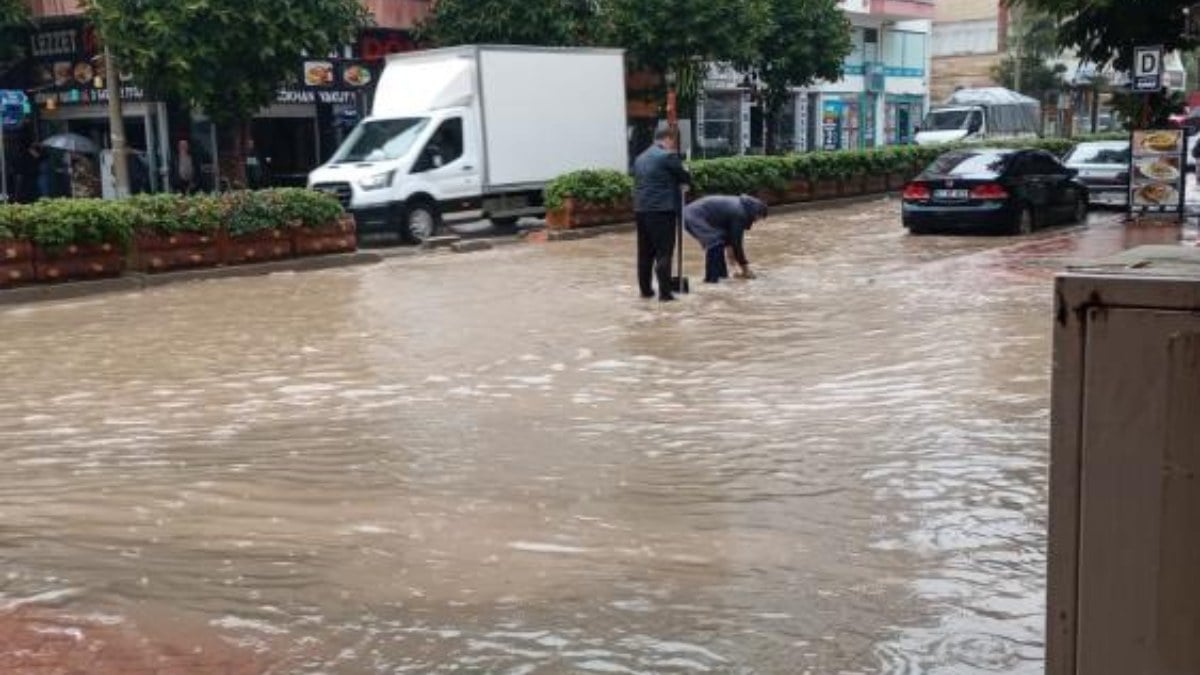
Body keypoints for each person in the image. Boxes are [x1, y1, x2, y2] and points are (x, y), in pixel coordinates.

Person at [632, 128, 691, 302]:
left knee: (644, 253)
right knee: (664, 252)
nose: (673, 146)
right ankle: (665, 294)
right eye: (673, 142)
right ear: (668, 139)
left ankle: (646, 291)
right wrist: (686, 172)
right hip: (662, 211)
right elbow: (684, 177)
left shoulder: (640, 158)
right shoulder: (667, 156)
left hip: (641, 210)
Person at [683, 194, 768, 283]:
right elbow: (737, 243)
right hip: (693, 216)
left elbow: (729, 238)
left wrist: (732, 259)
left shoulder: (741, 207)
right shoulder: (740, 213)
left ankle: (721, 278)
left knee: (718, 242)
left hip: (692, 214)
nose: (756, 221)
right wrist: (745, 268)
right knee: (715, 243)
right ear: (756, 212)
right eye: (759, 218)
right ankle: (711, 280)